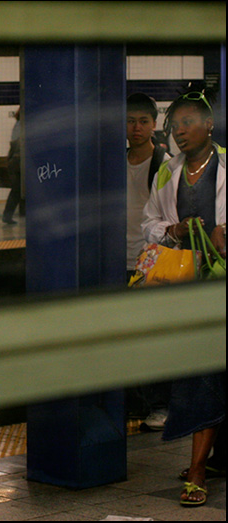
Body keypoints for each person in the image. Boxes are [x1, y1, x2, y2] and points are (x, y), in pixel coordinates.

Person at [141, 90, 226, 507]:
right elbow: (149, 223)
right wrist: (171, 231)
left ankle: (205, 463)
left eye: (189, 122)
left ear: (209, 124)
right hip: (189, 289)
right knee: (201, 375)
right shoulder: (166, 172)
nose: (179, 132)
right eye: (175, 125)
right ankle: (197, 466)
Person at [125, 93, 171, 432]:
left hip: (148, 261)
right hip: (117, 258)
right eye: (130, 121)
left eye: (143, 121)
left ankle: (160, 404)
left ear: (154, 124)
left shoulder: (166, 165)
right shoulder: (113, 160)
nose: (136, 127)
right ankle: (133, 402)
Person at [2, 108, 23, 224]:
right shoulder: (23, 125)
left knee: (16, 190)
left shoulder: (17, 124)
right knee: (18, 189)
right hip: (19, 161)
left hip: (13, 161)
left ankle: (7, 215)